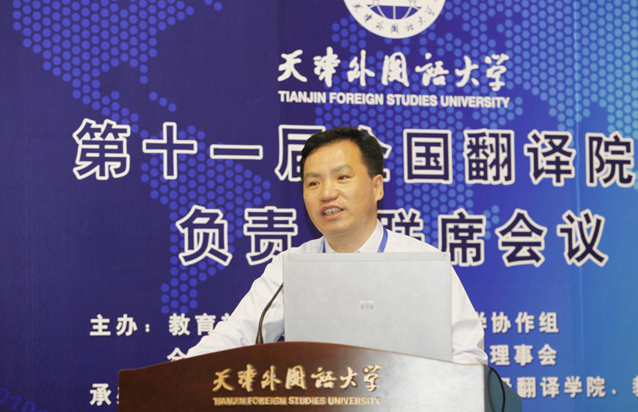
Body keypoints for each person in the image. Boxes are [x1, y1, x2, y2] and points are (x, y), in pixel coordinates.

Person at [187, 127, 487, 364]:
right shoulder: (291, 267)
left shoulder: (422, 262)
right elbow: (237, 334)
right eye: (313, 183)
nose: (327, 193)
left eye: (342, 177)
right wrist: (178, 376)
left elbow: (466, 354)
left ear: (377, 186)